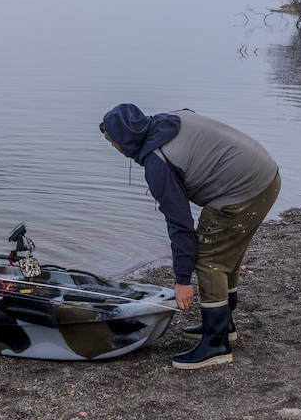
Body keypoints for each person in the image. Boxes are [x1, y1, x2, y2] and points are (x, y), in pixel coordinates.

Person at [99, 103, 280, 370]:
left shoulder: (157, 164)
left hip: (244, 190)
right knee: (226, 252)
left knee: (210, 258)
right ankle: (224, 325)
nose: (113, 147)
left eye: (112, 141)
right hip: (265, 175)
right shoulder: (170, 118)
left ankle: (216, 345)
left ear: (125, 140)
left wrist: (182, 280)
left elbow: (180, 225)